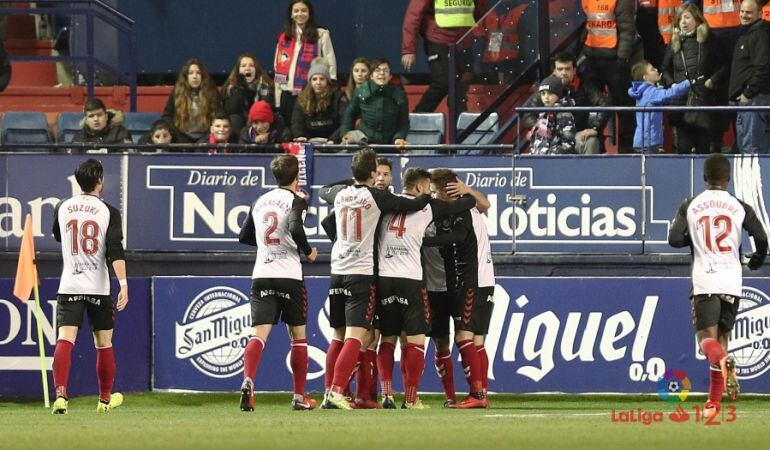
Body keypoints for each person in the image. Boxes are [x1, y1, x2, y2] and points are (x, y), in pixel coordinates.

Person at [318, 148, 431, 410]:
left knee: (337, 336)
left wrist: (352, 181)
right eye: (377, 173)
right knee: (356, 337)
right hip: (361, 274)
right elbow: (414, 204)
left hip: (336, 271)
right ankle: (337, 391)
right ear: (372, 173)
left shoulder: (340, 193)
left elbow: (324, 191)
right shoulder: (378, 197)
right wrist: (428, 194)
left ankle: (329, 392)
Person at [668, 153, 767, 419]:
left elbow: (674, 239)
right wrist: (757, 260)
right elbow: (761, 237)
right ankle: (713, 405)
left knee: (706, 342)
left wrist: (693, 238)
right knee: (723, 340)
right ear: (729, 178)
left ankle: (723, 363)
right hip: (731, 281)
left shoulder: (691, 204)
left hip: (705, 281)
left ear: (704, 177)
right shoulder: (739, 206)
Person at [375, 167, 477, 409]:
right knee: (415, 341)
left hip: (384, 278)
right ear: (420, 187)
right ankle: (411, 398)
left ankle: (386, 393)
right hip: (410, 280)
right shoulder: (427, 207)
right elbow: (467, 203)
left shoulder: (385, 203)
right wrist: (465, 191)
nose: (430, 193)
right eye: (428, 188)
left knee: (387, 338)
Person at [237, 154, 319, 411]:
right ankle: (299, 397)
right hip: (289, 276)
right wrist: (308, 251)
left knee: (258, 335)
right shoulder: (297, 200)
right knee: (298, 337)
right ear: (296, 177)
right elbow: (295, 227)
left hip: (262, 274)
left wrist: (266, 245)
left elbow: (244, 236)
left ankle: (248, 380)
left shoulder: (259, 201)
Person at [50, 158, 128, 414]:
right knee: (104, 342)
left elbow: (59, 236)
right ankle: (104, 400)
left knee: (65, 338)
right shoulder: (109, 211)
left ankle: (60, 395)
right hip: (98, 287)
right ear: (100, 181)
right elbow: (115, 251)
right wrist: (124, 284)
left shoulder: (62, 206)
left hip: (70, 285)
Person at [423, 168, 496, 409]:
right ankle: (479, 394)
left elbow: (458, 236)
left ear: (447, 191)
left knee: (465, 337)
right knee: (474, 339)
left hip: (473, 280)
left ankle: (477, 394)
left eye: (435, 192)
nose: (433, 196)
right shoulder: (466, 205)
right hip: (478, 280)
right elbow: (483, 204)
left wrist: (421, 240)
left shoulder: (463, 208)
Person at [661, 3, 725, 154]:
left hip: (703, 102)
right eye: (680, 19)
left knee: (703, 150)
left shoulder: (709, 40)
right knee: (683, 149)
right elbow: (665, 69)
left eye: (687, 17)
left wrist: (712, 81)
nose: (683, 22)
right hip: (680, 104)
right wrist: (672, 84)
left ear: (697, 19)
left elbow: (724, 64)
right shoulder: (674, 42)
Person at [401, 0, 487, 112]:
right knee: (443, 82)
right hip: (438, 40)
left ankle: (461, 121)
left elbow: (482, 9)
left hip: (464, 40)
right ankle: (419, 116)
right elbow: (413, 16)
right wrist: (408, 50)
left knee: (461, 87)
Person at [522, 51, 609, 155]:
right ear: (555, 71)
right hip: (551, 137)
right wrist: (542, 128)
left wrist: (595, 128)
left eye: (567, 69)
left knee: (591, 141)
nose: (563, 72)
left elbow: (605, 103)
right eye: (560, 69)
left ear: (574, 70)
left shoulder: (585, 85)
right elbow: (527, 114)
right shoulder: (546, 87)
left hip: (577, 135)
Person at [580, 0, 636, 153]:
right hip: (592, 58)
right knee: (592, 105)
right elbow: (587, 24)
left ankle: (626, 148)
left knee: (623, 105)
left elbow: (627, 29)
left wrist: (622, 58)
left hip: (614, 60)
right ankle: (596, 146)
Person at [274, 0, 337, 127]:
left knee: (304, 130)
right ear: (291, 14)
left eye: (303, 10)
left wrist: (328, 90)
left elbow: (330, 64)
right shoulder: (284, 37)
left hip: (310, 93)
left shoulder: (321, 34)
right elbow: (277, 65)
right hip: (287, 93)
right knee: (287, 129)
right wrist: (277, 98)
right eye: (296, 11)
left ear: (309, 13)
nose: (300, 14)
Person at [729, 0, 770, 154]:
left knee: (751, 150)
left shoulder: (760, 35)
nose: (744, 15)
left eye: (749, 12)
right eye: (742, 11)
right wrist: (734, 95)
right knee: (748, 148)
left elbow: (763, 68)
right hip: (747, 101)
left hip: (755, 100)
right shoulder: (746, 33)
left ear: (759, 14)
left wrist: (748, 93)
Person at [341, 58, 410, 147]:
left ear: (390, 76)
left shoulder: (399, 95)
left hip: (390, 144)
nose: (381, 73)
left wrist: (399, 138)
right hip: (364, 144)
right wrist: (346, 134)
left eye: (385, 71)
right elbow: (350, 115)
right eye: (377, 70)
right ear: (371, 76)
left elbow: (404, 123)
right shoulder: (360, 92)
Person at [628, 60, 691, 152]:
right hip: (649, 141)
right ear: (645, 77)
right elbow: (669, 94)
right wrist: (688, 83)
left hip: (643, 140)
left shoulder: (643, 91)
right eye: (652, 69)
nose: (656, 70)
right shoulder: (650, 92)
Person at [162, 58, 221, 143]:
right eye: (191, 73)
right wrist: (177, 136)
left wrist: (206, 138)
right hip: (180, 138)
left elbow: (218, 117)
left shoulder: (211, 92)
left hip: (205, 139)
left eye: (198, 73)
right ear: (186, 76)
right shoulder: (177, 92)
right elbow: (167, 116)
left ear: (203, 76)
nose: (194, 76)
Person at [291, 58, 348, 145]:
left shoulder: (338, 97)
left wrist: (334, 139)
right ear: (310, 81)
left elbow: (345, 121)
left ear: (327, 81)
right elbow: (297, 122)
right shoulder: (302, 98)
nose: (318, 82)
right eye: (314, 79)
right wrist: (300, 135)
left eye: (322, 79)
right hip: (308, 141)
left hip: (333, 142)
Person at [222, 53, 275, 135]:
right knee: (235, 119)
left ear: (256, 69)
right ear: (238, 70)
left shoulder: (266, 86)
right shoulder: (231, 88)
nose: (247, 68)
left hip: (259, 122)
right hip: (239, 125)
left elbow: (267, 109)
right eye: (243, 66)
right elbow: (232, 110)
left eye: (251, 65)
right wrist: (240, 90)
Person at [527, 76, 576, 155]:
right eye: (543, 94)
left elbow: (567, 143)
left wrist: (551, 154)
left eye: (550, 93)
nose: (546, 97)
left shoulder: (564, 114)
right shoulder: (543, 114)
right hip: (542, 158)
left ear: (558, 94)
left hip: (557, 159)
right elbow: (537, 139)